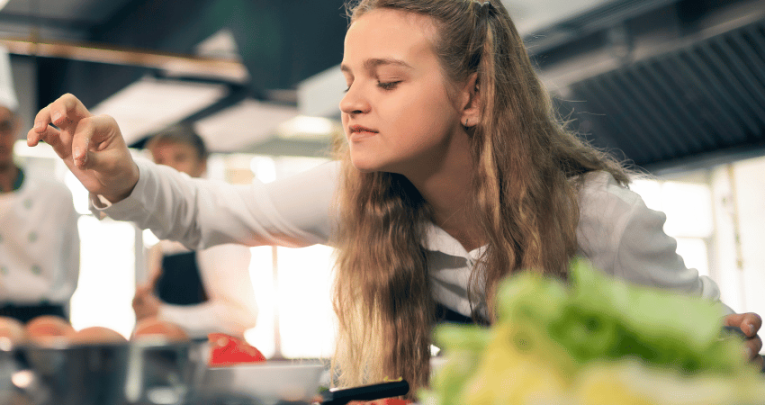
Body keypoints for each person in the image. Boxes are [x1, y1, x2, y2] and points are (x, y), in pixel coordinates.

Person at [27, 0, 762, 395]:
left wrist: (724, 347)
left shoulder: (598, 217)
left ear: (472, 94)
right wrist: (116, 175)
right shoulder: (360, 197)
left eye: (386, 80)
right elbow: (207, 212)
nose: (352, 102)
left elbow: (714, 352)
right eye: (348, 80)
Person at [131, 123, 258, 340]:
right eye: (160, 161)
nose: (168, 169)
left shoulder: (219, 229)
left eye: (180, 158)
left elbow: (241, 315)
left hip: (215, 361)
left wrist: (162, 313)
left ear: (202, 165)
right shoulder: (162, 241)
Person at [0, 46, 79, 323]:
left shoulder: (55, 195)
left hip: (48, 319)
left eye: (4, 126)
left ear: (18, 125)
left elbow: (71, 267)